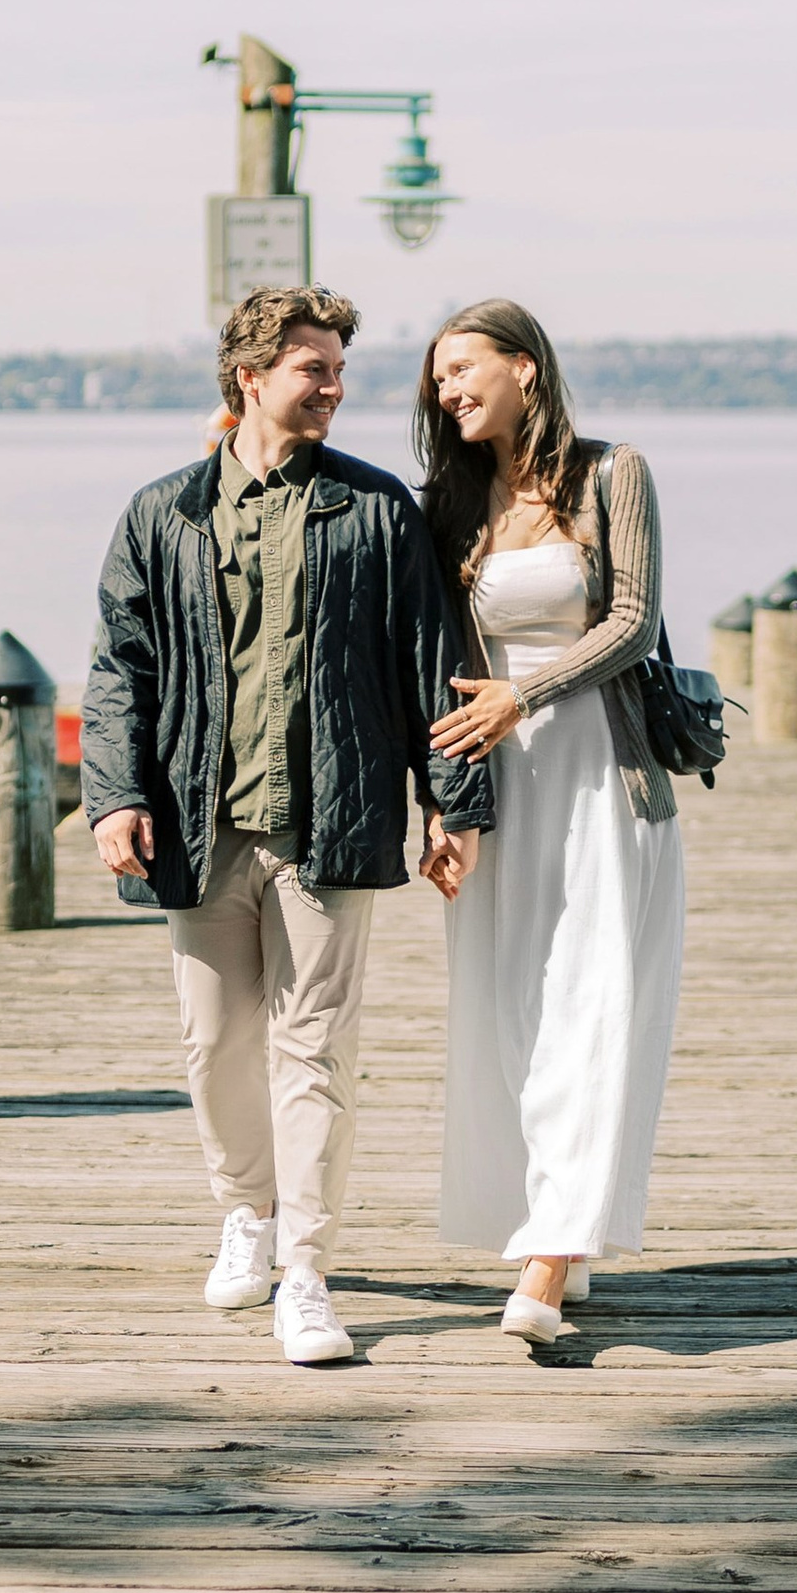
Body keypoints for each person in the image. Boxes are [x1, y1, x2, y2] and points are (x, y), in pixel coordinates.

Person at [83, 282, 494, 1366]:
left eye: (339, 368)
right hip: (199, 822)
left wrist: (450, 803)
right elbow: (118, 670)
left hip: (333, 820)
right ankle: (247, 1214)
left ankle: (305, 1272)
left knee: (315, 1050)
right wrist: (114, 795)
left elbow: (427, 669)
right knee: (214, 1047)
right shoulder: (162, 513)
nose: (333, 387)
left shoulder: (373, 511)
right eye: (313, 368)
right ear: (249, 376)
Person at [421, 298, 686, 1343]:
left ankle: (548, 1261)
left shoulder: (613, 472)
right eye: (436, 377)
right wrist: (447, 805)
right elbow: (433, 660)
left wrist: (522, 698)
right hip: (496, 789)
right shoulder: (449, 501)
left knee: (592, 1006)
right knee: (514, 1010)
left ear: (524, 369)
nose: (446, 390)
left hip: (599, 780)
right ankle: (549, 1222)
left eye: (462, 367)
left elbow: (633, 621)